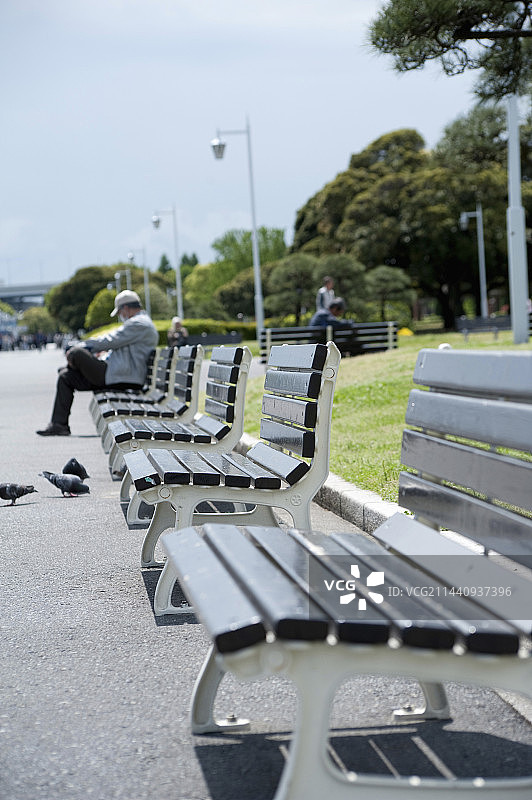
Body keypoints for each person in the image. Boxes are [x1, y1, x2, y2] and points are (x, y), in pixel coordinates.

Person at [37, 289, 158, 436]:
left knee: (76, 353)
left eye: (119, 312)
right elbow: (121, 347)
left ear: (125, 308)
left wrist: (81, 346)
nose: (120, 316)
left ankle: (73, 364)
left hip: (123, 377)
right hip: (119, 374)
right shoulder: (140, 323)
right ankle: (59, 425)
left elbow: (110, 340)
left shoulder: (139, 323)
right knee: (65, 376)